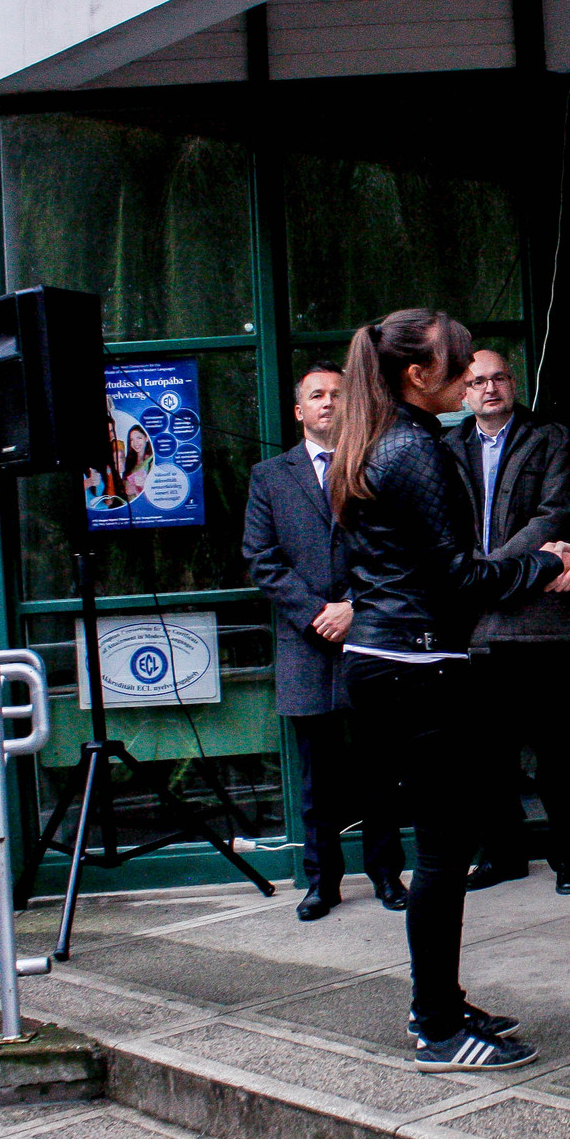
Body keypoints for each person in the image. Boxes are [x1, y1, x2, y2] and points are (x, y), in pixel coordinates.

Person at [328, 307, 570, 1073]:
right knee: (443, 854)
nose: (474, 372)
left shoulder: (376, 440)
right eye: (460, 360)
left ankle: (439, 1002)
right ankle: (438, 1027)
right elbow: (461, 578)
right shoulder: (416, 449)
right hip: (417, 668)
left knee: (442, 848)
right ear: (418, 375)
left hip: (386, 660)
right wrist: (546, 564)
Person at [243, 361, 407, 921]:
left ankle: (387, 875)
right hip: (306, 644)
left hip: (372, 637)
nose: (328, 402)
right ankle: (323, 883)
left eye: (338, 393)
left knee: (380, 772)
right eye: (317, 395)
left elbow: (399, 549)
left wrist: (354, 607)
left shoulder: (376, 466)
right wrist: (317, 613)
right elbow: (262, 558)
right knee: (319, 782)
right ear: (299, 410)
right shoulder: (270, 477)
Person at [443, 349, 570, 895]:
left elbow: (555, 514)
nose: (490, 388)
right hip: (473, 622)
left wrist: (490, 569)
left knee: (557, 750)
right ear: (463, 394)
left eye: (499, 378)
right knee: (486, 752)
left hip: (539, 617)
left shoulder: (550, 437)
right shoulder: (446, 446)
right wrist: (469, 572)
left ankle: (569, 857)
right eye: (478, 381)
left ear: (513, 382)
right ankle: (502, 855)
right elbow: (439, 522)